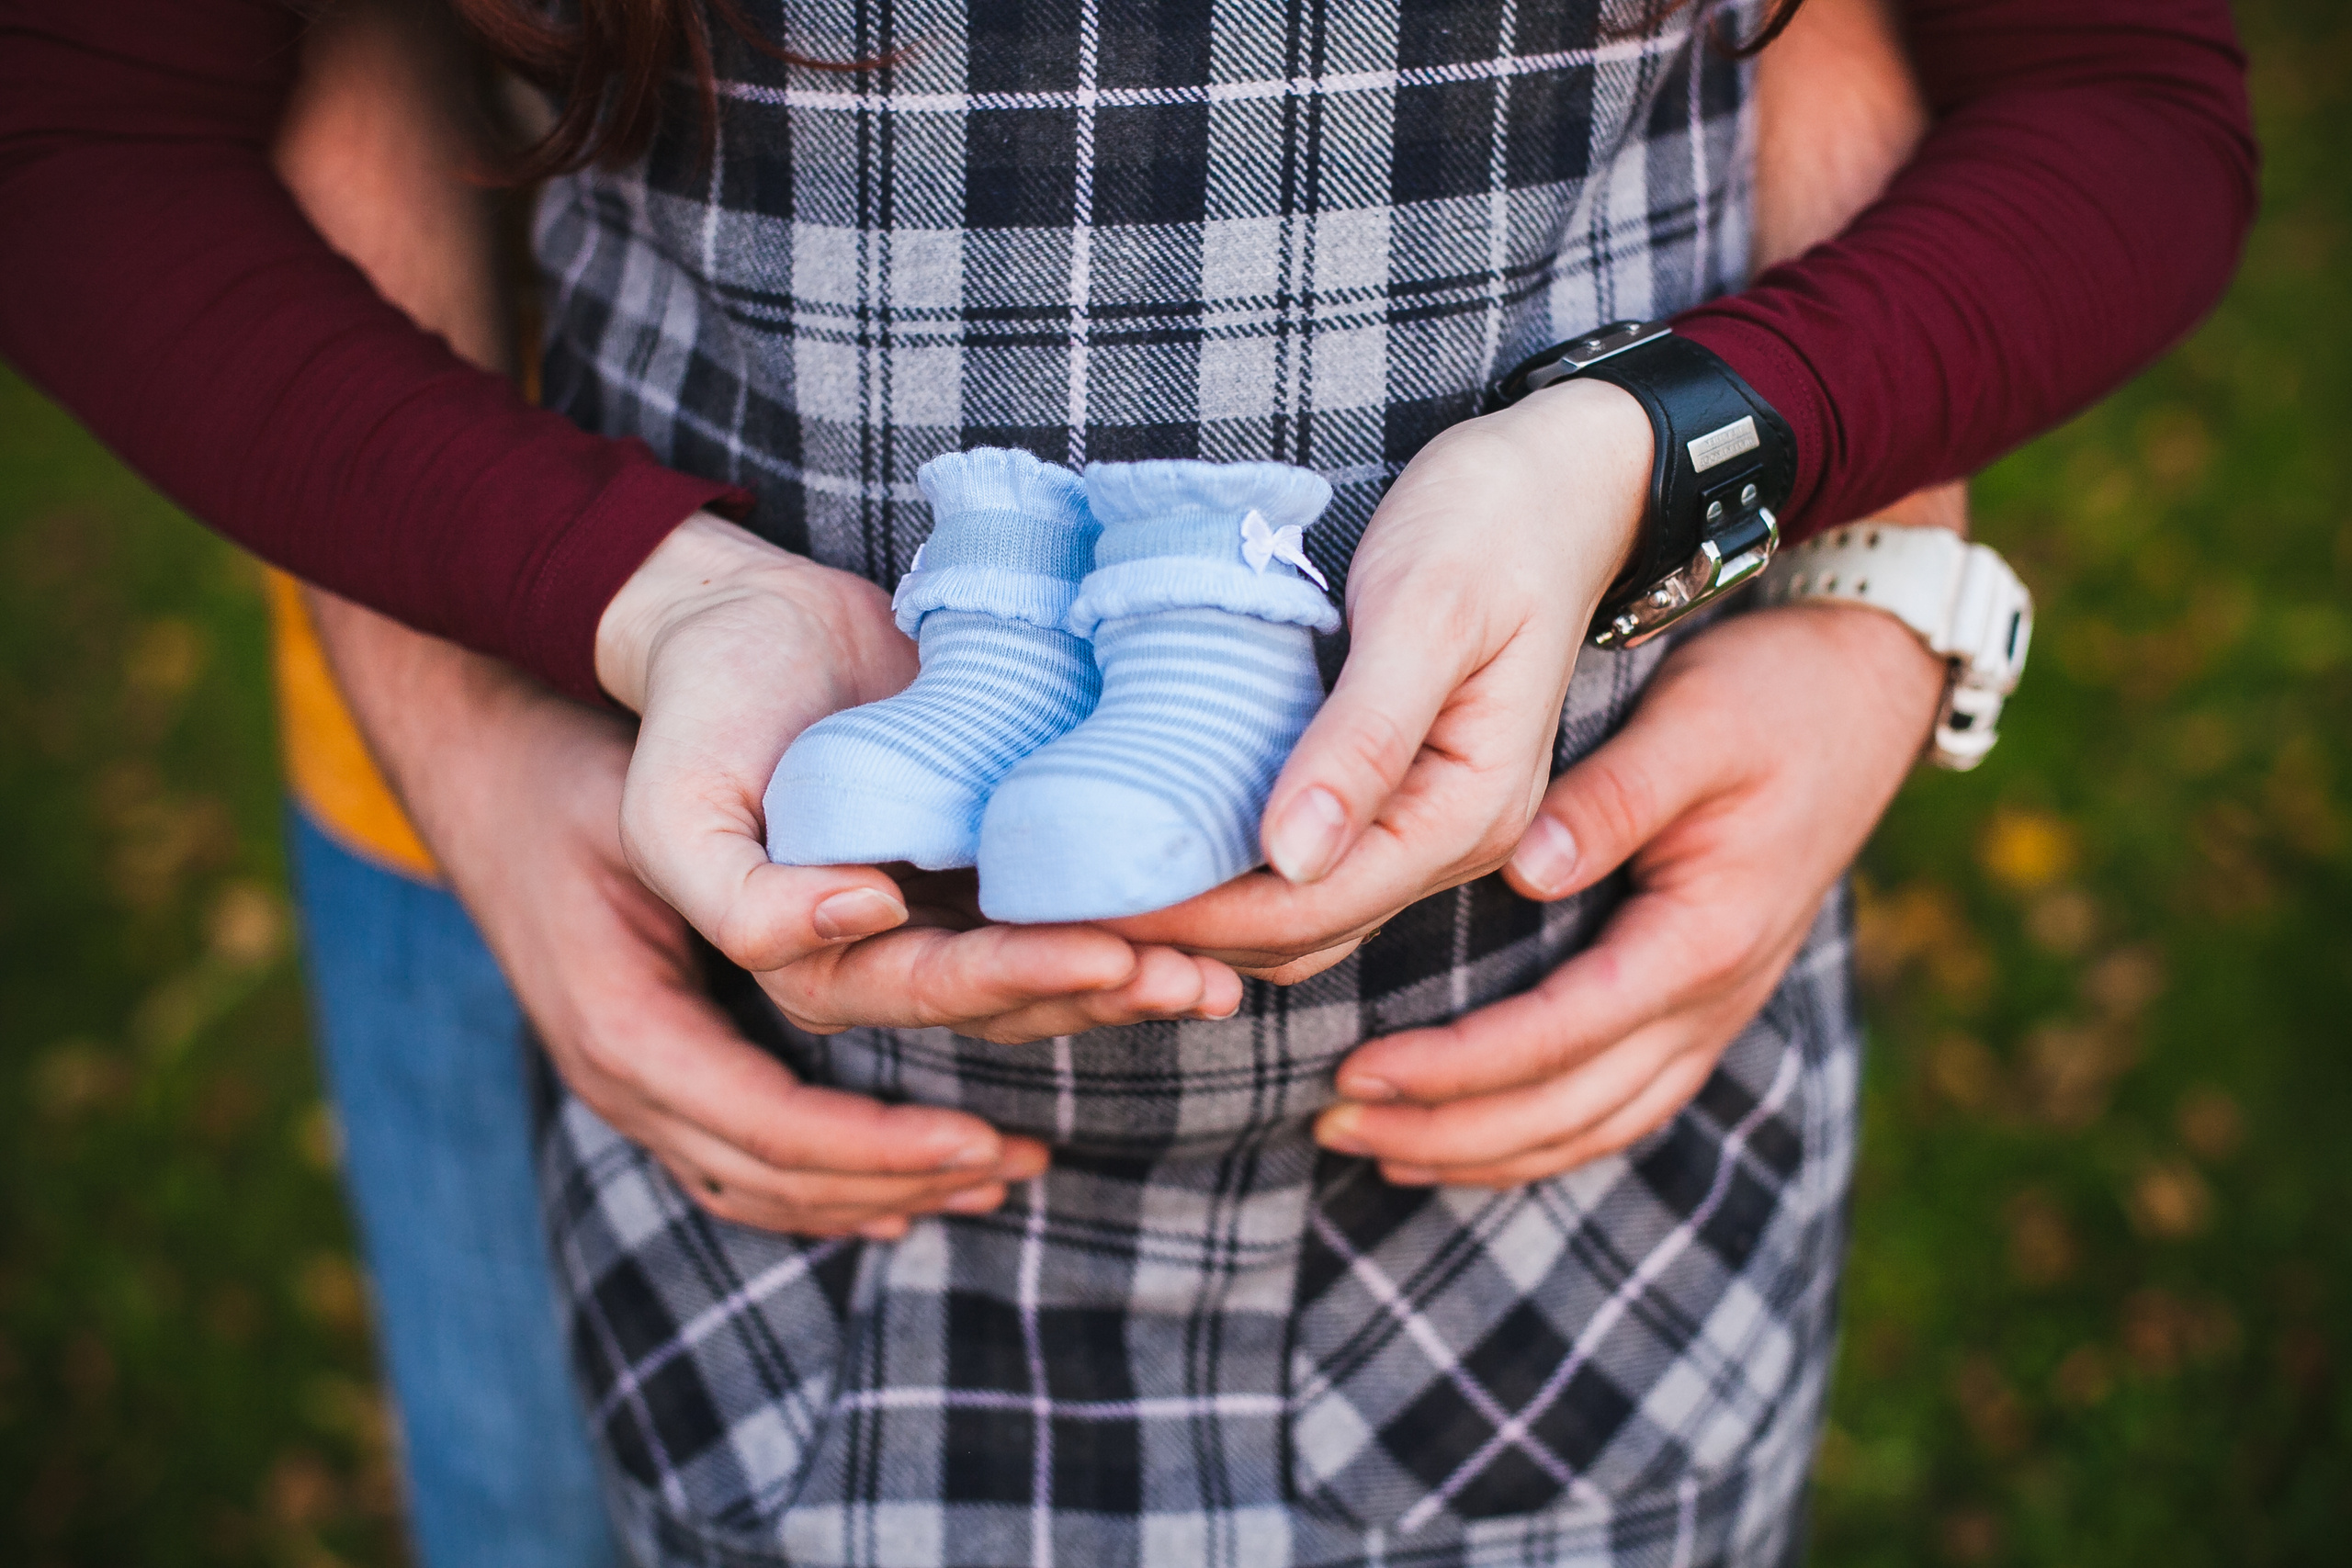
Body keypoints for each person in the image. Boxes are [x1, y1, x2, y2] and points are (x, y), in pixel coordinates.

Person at [0, 0, 2255, 1562]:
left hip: (1559, 1193)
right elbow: (128, 99)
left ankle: (1191, 605)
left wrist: (1798, 520)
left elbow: (2082, 77)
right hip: (707, 1097)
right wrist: (563, 648)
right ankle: (1015, 615)